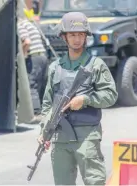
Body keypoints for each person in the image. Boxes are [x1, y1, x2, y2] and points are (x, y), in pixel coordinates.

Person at [38, 12, 118, 185]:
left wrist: (86, 99)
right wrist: (44, 131)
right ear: (64, 37)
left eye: (81, 34)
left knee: (95, 182)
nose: (77, 39)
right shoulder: (55, 68)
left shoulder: (96, 65)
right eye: (72, 34)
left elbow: (111, 95)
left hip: (87, 137)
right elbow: (47, 105)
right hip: (60, 139)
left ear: (86, 37)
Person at [17, 8, 48, 122]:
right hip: (43, 56)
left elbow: (27, 42)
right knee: (41, 84)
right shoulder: (30, 25)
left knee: (31, 84)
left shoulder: (20, 25)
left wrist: (23, 55)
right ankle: (44, 111)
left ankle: (35, 113)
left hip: (33, 56)